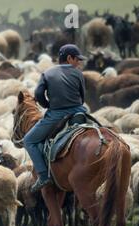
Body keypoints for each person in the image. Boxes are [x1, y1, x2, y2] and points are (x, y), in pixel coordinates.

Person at [24, 44, 88, 193]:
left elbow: (39, 94)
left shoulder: (47, 73)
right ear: (69, 58)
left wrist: (48, 105)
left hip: (56, 115)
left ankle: (43, 175)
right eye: (77, 59)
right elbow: (82, 97)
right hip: (79, 112)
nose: (78, 62)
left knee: (29, 140)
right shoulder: (78, 73)